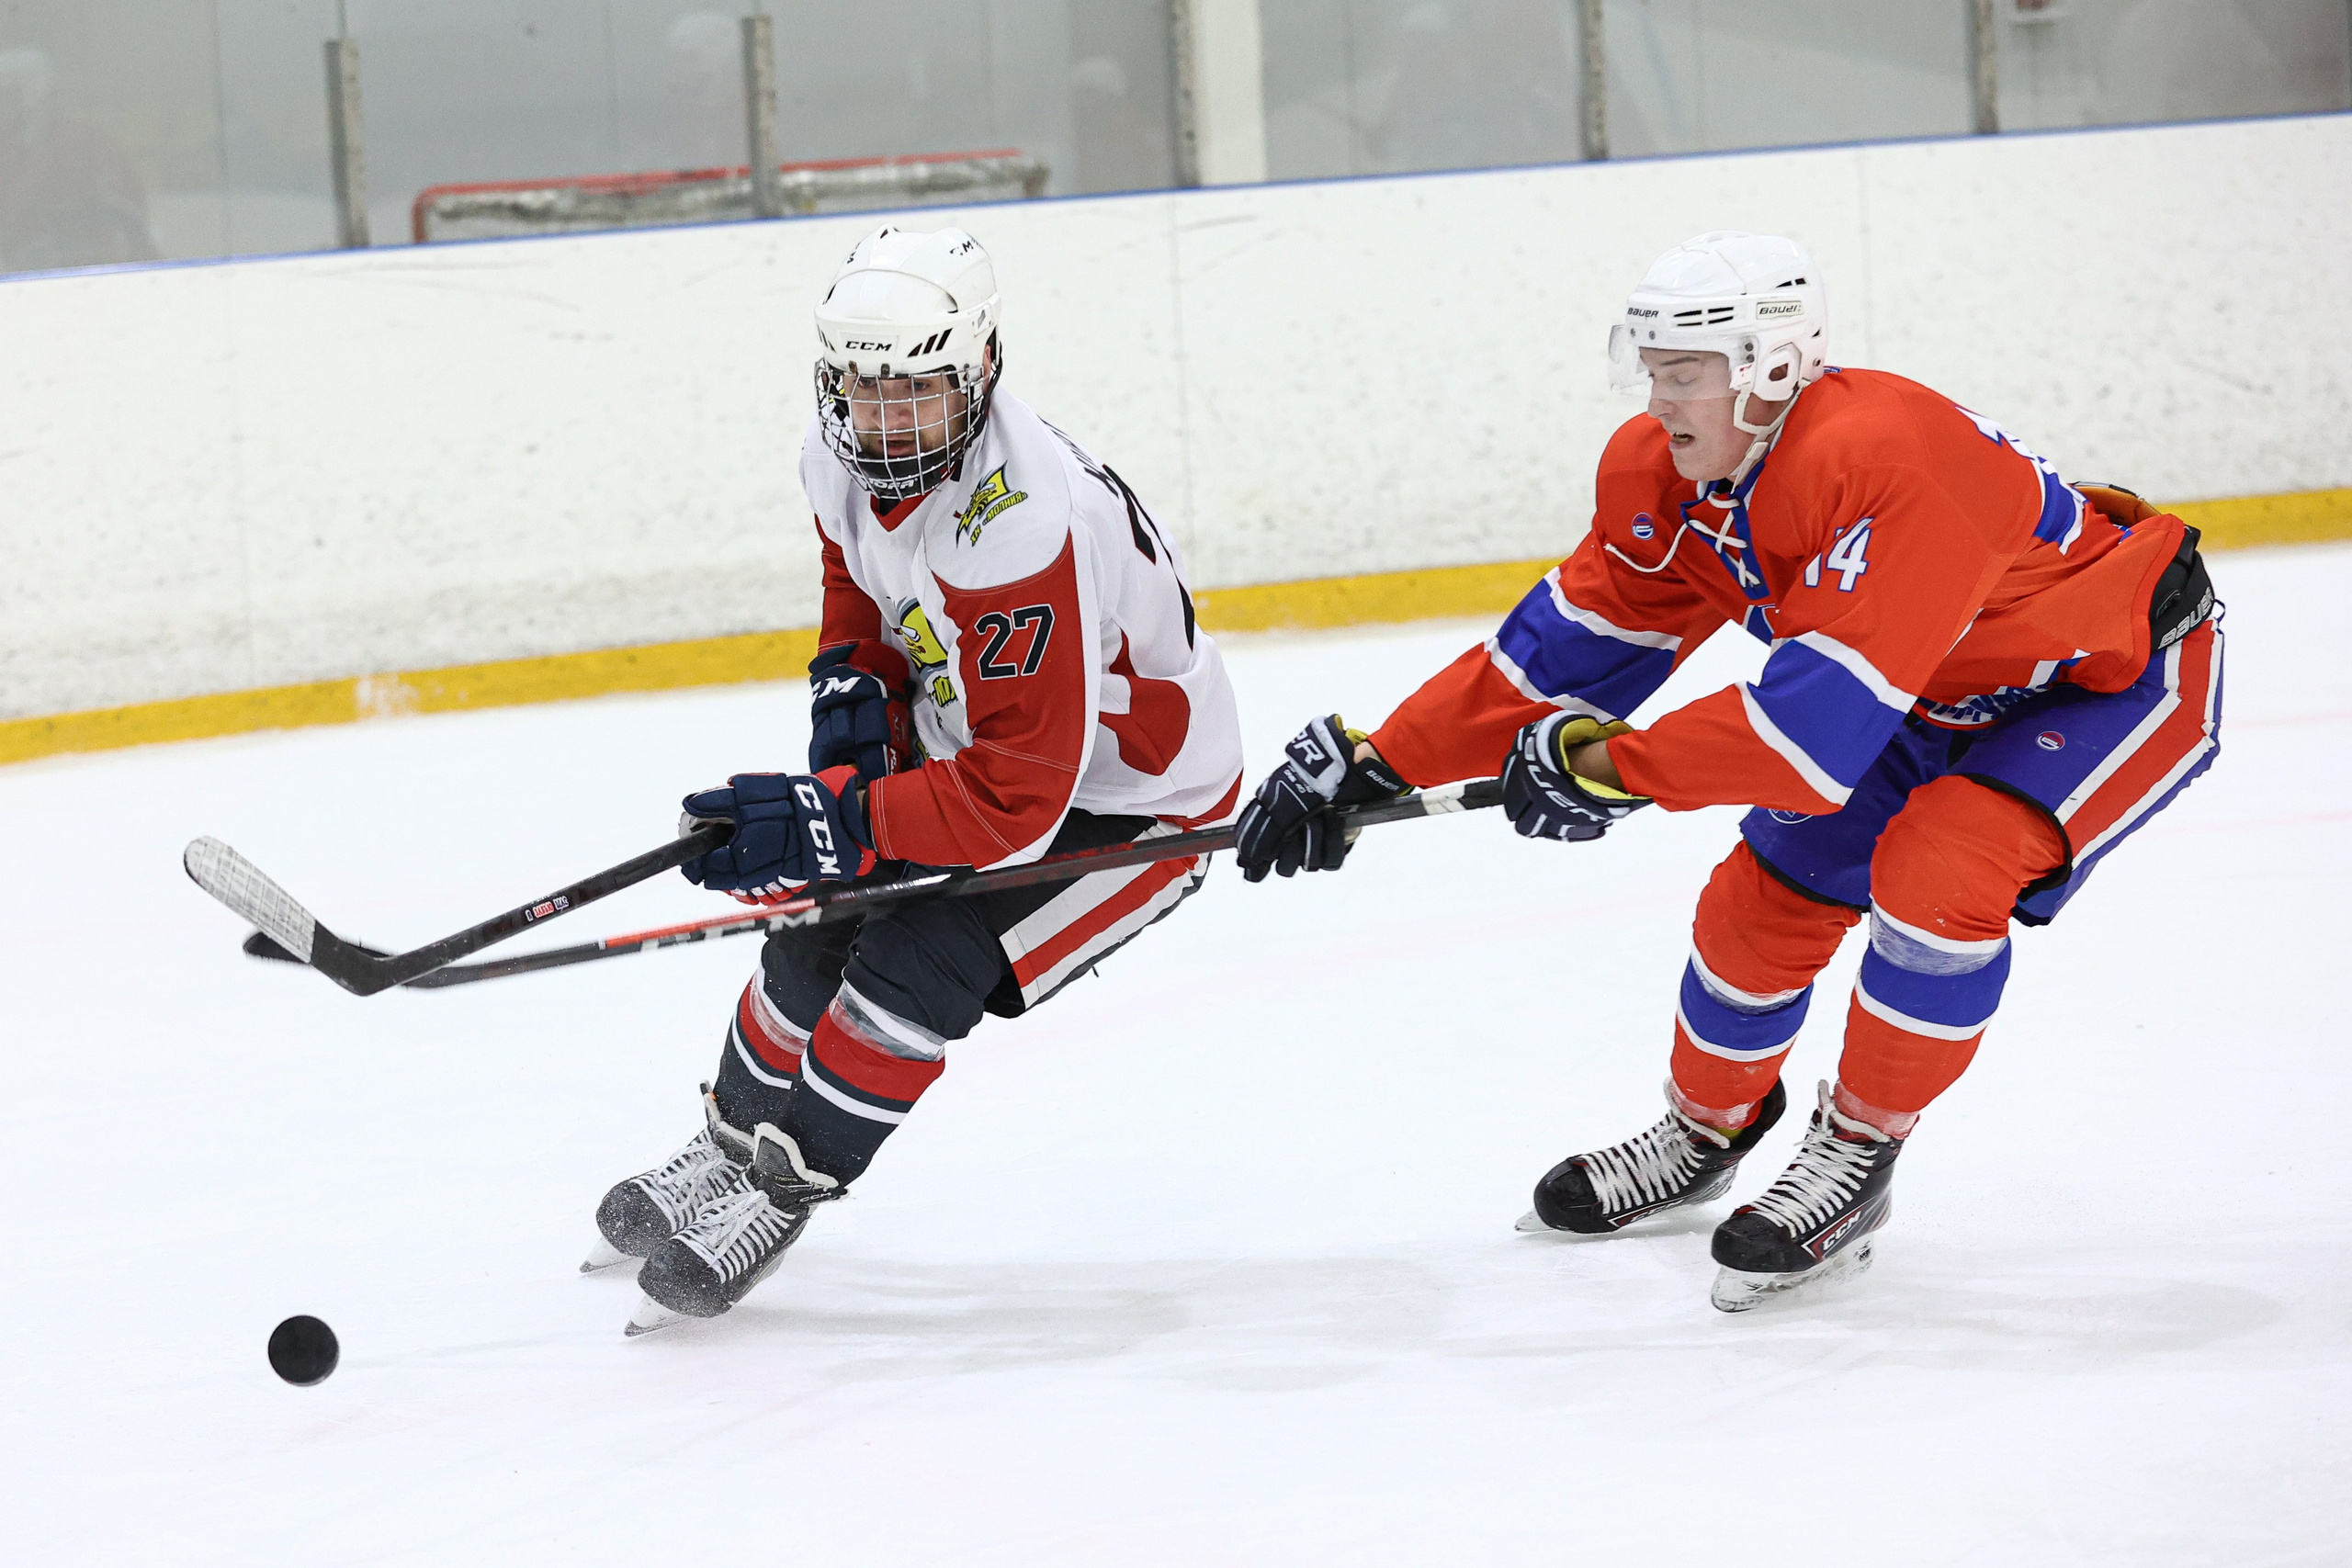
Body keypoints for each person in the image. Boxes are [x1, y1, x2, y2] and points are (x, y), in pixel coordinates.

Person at [1234, 231, 2221, 1311]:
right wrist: (1381, 762)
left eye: (1685, 373)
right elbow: (1565, 650)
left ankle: (1858, 1149)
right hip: (1919, 689)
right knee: (1758, 904)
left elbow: (1811, 738)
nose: (1658, 400)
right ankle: (1703, 1134)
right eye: (1648, 369)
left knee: (1941, 870)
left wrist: (1613, 769)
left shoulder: (1892, 461)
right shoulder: (1669, 475)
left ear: (1773, 367)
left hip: (2096, 684)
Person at [590, 225, 1243, 1335]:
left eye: (919, 395)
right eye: (863, 390)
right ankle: (730, 1143)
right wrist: (850, 717)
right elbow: (862, 588)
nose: (885, 423)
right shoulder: (831, 453)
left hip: (1132, 804)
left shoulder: (1026, 521)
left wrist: (828, 822)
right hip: (996, 747)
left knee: (915, 960)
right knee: (817, 927)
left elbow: (1013, 806)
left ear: (981, 369)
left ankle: (783, 1186)